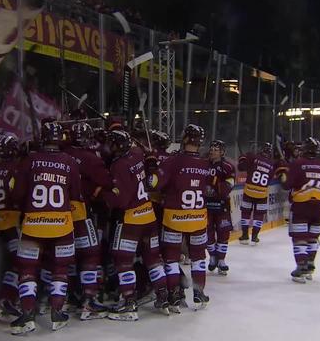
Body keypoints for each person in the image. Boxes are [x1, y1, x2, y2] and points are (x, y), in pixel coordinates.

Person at [10, 121, 83, 334]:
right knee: (60, 269)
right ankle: (57, 313)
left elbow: (17, 194)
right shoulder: (70, 161)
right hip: (62, 225)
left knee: (27, 270)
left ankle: (27, 315)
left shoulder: (29, 161)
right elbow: (77, 194)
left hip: (34, 225)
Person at [101, 129, 170, 320]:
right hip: (148, 216)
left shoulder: (119, 165)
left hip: (130, 220)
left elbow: (121, 200)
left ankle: (129, 303)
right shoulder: (137, 156)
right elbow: (147, 166)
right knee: (154, 259)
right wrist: (150, 159)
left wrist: (104, 195)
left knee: (123, 261)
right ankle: (163, 296)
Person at [150, 124, 214, 312]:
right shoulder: (205, 164)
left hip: (174, 218)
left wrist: (153, 166)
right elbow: (209, 189)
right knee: (198, 257)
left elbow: (153, 184)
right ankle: (199, 291)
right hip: (198, 219)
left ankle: (174, 294)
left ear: (185, 138)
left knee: (171, 258)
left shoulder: (172, 161)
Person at [63, 122, 113, 320]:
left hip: (56, 216)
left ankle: (68, 296)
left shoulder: (62, 153)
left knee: (64, 257)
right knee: (91, 254)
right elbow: (108, 182)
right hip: (81, 213)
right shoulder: (91, 159)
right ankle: (88, 300)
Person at [282, 137, 320, 283]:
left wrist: (283, 175)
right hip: (318, 208)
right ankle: (310, 265)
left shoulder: (298, 163)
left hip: (301, 206)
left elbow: (287, 185)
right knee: (312, 237)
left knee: (299, 237)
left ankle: (301, 266)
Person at [0, 135, 23, 323]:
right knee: (21, 261)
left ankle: (9, 298)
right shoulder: (15, 169)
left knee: (17, 262)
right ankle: (6, 299)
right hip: (12, 220)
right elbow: (18, 193)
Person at [237, 142, 278, 245]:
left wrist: (242, 158)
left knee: (245, 213)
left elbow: (241, 167)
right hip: (262, 193)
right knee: (258, 215)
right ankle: (255, 237)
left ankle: (245, 235)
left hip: (249, 191)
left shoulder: (253, 157)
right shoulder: (272, 165)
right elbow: (270, 178)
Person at [205, 140, 235, 275]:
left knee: (223, 232)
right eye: (211, 148)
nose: (212, 151)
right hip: (205, 205)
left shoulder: (228, 166)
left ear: (222, 152)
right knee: (207, 232)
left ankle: (221, 260)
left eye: (216, 149)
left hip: (222, 205)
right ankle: (212, 256)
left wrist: (218, 190)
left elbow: (230, 183)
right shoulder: (203, 164)